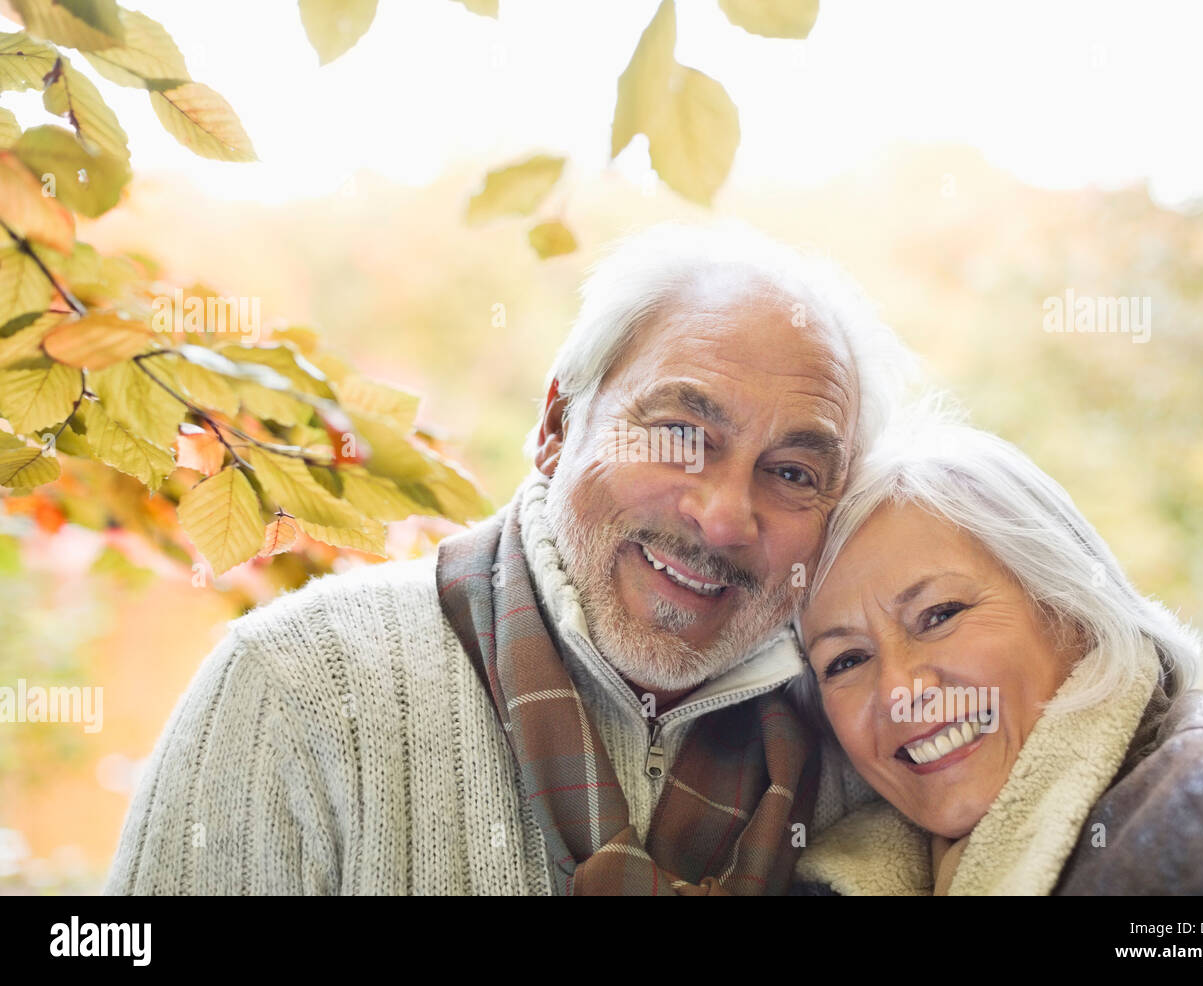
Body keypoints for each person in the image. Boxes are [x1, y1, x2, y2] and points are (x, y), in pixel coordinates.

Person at [104, 222, 910, 895]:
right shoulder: (296, 685)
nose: (727, 516)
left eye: (794, 473)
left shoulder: (864, 747)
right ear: (558, 426)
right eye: (679, 435)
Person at [790, 409, 1203, 895]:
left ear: (1070, 609)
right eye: (847, 661)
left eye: (941, 614)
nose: (899, 691)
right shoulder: (816, 878)